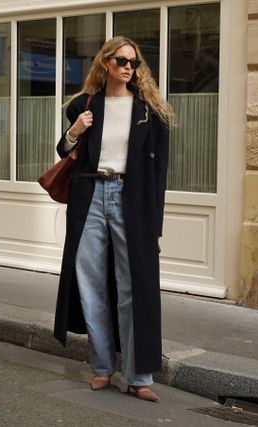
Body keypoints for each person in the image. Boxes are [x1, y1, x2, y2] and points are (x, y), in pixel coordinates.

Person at [54, 36, 174, 402]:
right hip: (89, 196)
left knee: (131, 287)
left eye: (134, 63)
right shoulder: (84, 105)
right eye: (121, 60)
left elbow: (159, 174)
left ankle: (138, 376)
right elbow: (63, 150)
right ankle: (102, 368)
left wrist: (155, 223)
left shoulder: (149, 112)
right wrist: (75, 132)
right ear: (105, 62)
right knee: (90, 283)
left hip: (130, 201)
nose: (128, 67)